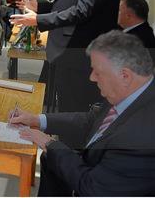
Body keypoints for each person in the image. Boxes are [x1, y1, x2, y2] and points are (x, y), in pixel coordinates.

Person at [11, 0, 123, 137]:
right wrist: (40, 7)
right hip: (67, 53)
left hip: (78, 54)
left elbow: (82, 11)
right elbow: (68, 5)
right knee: (64, 105)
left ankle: (69, 157)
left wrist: (38, 20)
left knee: (73, 110)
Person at [10, 31, 155, 196]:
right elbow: (91, 120)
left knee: (51, 156)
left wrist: (51, 144)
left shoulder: (140, 139)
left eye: (98, 72)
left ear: (125, 75)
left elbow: (92, 188)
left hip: (95, 184)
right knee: (50, 159)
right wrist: (37, 119)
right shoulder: (130, 90)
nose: (92, 78)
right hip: (98, 166)